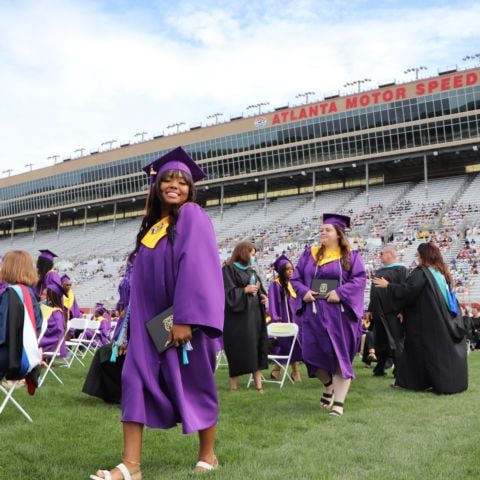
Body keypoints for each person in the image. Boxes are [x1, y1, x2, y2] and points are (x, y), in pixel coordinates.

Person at [90, 147, 224, 480]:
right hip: (149, 328)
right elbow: (138, 286)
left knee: (196, 383)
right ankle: (130, 466)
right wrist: (127, 331)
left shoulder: (192, 215)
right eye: (167, 180)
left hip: (183, 323)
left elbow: (197, 267)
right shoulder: (152, 229)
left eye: (181, 180)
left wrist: (185, 318)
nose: (174, 185)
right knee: (133, 380)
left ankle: (208, 453)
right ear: (157, 186)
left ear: (191, 188)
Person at [291, 213, 366, 416]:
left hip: (338, 314)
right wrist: (304, 292)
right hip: (313, 313)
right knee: (310, 354)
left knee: (340, 356)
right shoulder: (310, 254)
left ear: (338, 234)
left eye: (328, 229)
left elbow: (359, 280)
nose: (322, 232)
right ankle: (328, 384)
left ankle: (339, 404)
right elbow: (296, 279)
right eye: (322, 229)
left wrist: (340, 293)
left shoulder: (351, 256)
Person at [373, 242, 468, 394]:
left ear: (424, 256)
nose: (417, 258)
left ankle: (408, 383)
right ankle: (422, 382)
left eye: (418, 255)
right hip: (443, 321)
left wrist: (388, 286)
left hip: (425, 324)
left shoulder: (422, 272)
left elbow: (408, 291)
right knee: (428, 354)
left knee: (415, 352)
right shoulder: (441, 273)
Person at [222, 240, 269, 393]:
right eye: (252, 254)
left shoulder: (252, 271)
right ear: (243, 253)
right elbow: (228, 293)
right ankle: (234, 386)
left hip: (254, 317)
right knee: (237, 349)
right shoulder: (228, 270)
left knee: (256, 347)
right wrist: (244, 290)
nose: (253, 258)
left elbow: (260, 290)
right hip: (237, 320)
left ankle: (259, 385)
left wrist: (263, 297)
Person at [0, 250, 43, 392]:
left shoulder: (11, 294)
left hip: (9, 356)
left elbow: (2, 333)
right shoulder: (29, 294)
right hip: (24, 355)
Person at [367, 246, 407, 376]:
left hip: (393, 312)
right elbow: (374, 292)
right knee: (381, 341)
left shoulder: (401, 270)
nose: (380, 256)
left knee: (396, 340)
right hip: (378, 312)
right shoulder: (379, 271)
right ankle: (380, 367)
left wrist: (402, 310)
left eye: (382, 253)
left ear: (390, 254)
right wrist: (370, 309)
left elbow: (404, 291)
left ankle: (399, 369)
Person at [267, 254, 302, 381]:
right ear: (282, 271)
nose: (291, 271)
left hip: (295, 319)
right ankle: (295, 372)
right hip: (283, 320)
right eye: (287, 269)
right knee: (290, 344)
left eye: (291, 268)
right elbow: (273, 304)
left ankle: (276, 371)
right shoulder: (276, 285)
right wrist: (277, 320)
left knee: (291, 344)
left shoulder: (293, 284)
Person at [38, 272, 68, 359]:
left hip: (50, 344)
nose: (41, 296)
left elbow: (57, 332)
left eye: (44, 295)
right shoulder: (48, 309)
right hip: (44, 339)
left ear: (51, 298)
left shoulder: (56, 313)